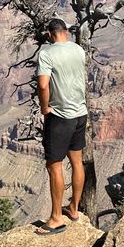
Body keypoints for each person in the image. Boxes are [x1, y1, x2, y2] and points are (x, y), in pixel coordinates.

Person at [35, 18, 87, 235]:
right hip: (80, 113)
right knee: (76, 161)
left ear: (49, 33)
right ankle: (73, 209)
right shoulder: (78, 49)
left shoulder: (47, 53)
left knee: (54, 165)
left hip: (61, 116)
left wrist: (45, 107)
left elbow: (43, 84)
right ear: (65, 31)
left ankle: (56, 218)